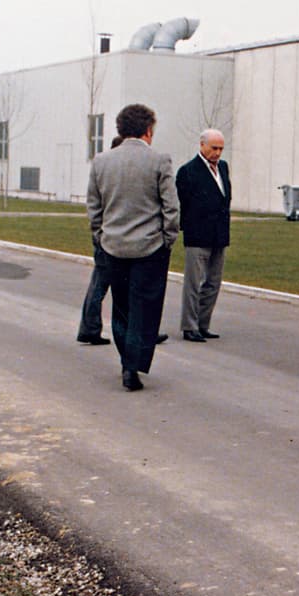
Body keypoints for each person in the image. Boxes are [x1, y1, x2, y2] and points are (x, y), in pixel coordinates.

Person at [86, 104, 180, 390]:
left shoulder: (101, 162)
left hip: (113, 245)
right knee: (146, 308)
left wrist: (100, 236)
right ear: (148, 130)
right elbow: (171, 207)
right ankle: (133, 364)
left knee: (122, 308)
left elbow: (94, 206)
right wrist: (168, 239)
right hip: (149, 248)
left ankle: (126, 361)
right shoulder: (159, 161)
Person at [77, 136, 168, 347]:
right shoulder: (114, 172)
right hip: (113, 240)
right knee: (109, 286)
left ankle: (92, 327)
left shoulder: (106, 170)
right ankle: (94, 328)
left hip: (107, 236)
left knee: (103, 285)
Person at [175, 128, 231, 343]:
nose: (217, 153)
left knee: (213, 282)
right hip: (198, 235)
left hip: (219, 235)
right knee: (193, 283)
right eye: (213, 148)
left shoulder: (223, 168)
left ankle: (203, 323)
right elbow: (184, 204)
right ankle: (189, 326)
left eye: (221, 149)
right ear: (202, 145)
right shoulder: (188, 171)